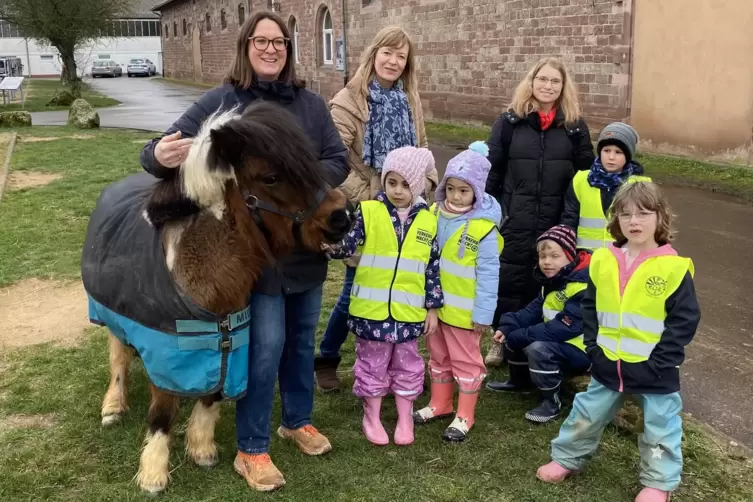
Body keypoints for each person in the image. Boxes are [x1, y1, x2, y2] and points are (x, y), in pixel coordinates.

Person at [139, 12, 348, 492]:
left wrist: (302, 184)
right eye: (262, 40)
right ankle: (251, 448)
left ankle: (296, 419)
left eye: (280, 41)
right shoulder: (223, 101)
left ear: (289, 48)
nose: (271, 48)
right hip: (257, 256)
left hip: (306, 248)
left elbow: (337, 160)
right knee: (264, 347)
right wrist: (156, 156)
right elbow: (158, 150)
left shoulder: (312, 106)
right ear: (246, 45)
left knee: (300, 343)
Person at [536, 182, 701, 502]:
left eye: (643, 213)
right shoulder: (602, 260)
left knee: (660, 427)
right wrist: (594, 348)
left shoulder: (674, 268)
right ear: (615, 219)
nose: (634, 221)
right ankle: (567, 458)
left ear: (661, 217)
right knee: (586, 413)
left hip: (655, 371)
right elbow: (590, 307)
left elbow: (684, 320)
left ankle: (658, 482)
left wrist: (661, 361)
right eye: (625, 214)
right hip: (608, 361)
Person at [315, 26, 439, 393]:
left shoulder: (409, 100)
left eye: (401, 56)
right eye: (388, 52)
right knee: (357, 285)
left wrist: (427, 185)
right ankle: (327, 356)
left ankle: (396, 360)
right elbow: (334, 160)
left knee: (402, 282)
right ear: (373, 55)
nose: (393, 61)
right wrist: (368, 196)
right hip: (368, 205)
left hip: (407, 207)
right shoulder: (347, 101)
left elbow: (424, 149)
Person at [324, 146, 442, 446]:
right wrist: (329, 245)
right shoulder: (369, 212)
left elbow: (432, 267)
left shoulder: (429, 221)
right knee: (372, 363)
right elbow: (348, 245)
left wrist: (432, 307)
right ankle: (372, 414)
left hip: (408, 314)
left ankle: (405, 415)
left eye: (405, 184)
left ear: (416, 186)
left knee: (408, 364)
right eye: (391, 183)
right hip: (371, 312)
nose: (397, 191)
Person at [484, 57, 595, 368]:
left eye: (555, 81)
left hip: (555, 220)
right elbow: (492, 172)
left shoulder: (574, 127)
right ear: (531, 83)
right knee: (508, 281)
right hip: (514, 217)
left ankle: (537, 345)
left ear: (563, 87)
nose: (548, 86)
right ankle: (500, 342)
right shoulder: (509, 122)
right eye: (542, 79)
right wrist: (488, 213)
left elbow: (588, 173)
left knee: (546, 283)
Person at [412, 141, 503, 442]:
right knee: (438, 356)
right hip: (435, 308)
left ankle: (465, 414)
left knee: (466, 362)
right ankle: (440, 403)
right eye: (451, 188)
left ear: (476, 191)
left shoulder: (484, 228)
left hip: (465, 313)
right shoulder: (433, 214)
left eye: (463, 190)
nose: (456, 196)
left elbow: (490, 275)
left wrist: (484, 315)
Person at [485, 225, 592, 424]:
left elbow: (564, 327)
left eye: (554, 256)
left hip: (581, 350)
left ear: (570, 256)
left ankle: (551, 402)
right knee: (515, 332)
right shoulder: (553, 282)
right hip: (559, 342)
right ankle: (519, 382)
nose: (547, 262)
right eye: (542, 257)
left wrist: (522, 334)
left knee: (537, 347)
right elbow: (530, 312)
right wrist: (506, 326)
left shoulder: (582, 287)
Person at [560, 122, 652, 250]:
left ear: (628, 155)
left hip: (623, 259)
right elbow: (569, 219)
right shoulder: (581, 180)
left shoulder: (640, 185)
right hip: (585, 258)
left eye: (618, 152)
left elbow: (649, 226)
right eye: (606, 150)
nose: (611, 157)